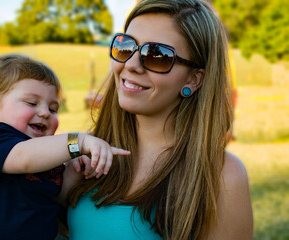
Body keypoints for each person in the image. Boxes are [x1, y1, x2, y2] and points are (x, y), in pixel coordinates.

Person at [67, 0, 253, 239]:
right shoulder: (86, 153)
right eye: (126, 46)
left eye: (157, 56)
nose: (131, 65)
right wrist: (70, 148)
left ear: (193, 79)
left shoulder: (222, 175)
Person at [0, 54, 130, 240]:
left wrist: (73, 170)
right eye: (32, 103)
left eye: (53, 108)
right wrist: (77, 142)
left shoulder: (48, 156)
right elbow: (24, 158)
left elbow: (59, 199)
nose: (45, 113)